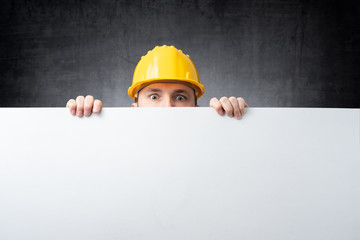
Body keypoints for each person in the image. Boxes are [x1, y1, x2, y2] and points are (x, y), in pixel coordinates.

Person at [66, 45, 248, 119]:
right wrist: (81, 122)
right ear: (134, 109)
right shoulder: (116, 152)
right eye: (154, 96)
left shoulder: (213, 152)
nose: (168, 107)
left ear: (196, 109)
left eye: (180, 97)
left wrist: (236, 122)